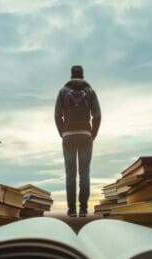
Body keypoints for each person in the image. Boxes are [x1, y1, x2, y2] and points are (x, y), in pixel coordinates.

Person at [54, 65, 101, 217]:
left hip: (68, 135)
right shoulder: (90, 91)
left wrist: (63, 132)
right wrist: (92, 134)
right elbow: (97, 115)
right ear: (83, 75)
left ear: (71, 75)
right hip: (85, 135)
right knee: (84, 172)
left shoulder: (62, 92)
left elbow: (57, 115)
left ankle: (72, 210)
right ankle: (83, 209)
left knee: (70, 174)